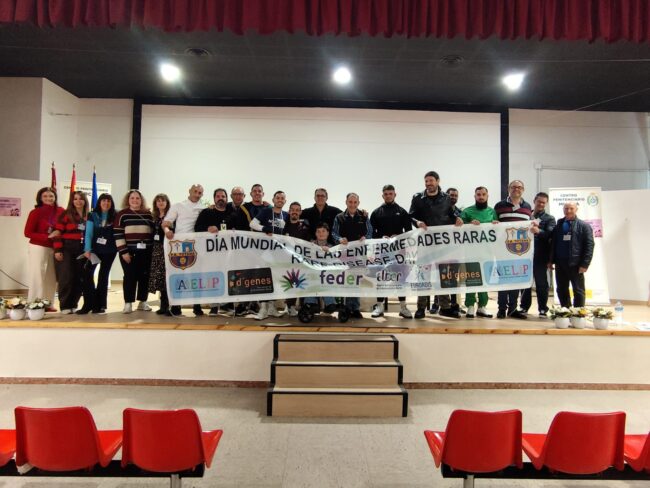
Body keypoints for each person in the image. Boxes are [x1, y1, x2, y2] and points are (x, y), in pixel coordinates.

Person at [409, 171, 463, 319]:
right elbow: (411, 216)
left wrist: (457, 218)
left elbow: (451, 215)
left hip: (442, 243)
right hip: (424, 243)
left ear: (438, 181)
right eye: (426, 181)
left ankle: (444, 307)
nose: (428, 184)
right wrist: (417, 222)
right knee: (423, 275)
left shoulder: (446, 198)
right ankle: (421, 308)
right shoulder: (417, 198)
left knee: (443, 275)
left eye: (431, 181)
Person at [494, 179, 539, 319]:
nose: (516, 189)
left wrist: (533, 227)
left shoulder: (527, 206)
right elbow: (493, 223)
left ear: (523, 190)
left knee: (516, 280)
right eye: (513, 187)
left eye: (519, 187)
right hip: (502, 250)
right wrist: (493, 223)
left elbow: (529, 223)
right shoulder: (499, 205)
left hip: (520, 251)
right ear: (509, 189)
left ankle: (512, 309)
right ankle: (501, 309)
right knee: (503, 280)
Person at [370, 184, 413, 319]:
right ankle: (379, 307)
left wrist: (398, 237)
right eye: (386, 194)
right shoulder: (376, 212)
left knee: (400, 278)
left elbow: (409, 232)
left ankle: (403, 307)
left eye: (390, 193)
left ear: (395, 194)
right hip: (382, 251)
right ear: (382, 195)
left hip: (398, 251)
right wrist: (381, 237)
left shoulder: (402, 211)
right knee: (381, 277)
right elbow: (371, 233)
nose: (388, 196)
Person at [162, 184, 205, 316]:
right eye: (195, 191)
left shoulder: (203, 208)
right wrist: (167, 231)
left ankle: (197, 307)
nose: (197, 194)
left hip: (197, 245)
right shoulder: (178, 206)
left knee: (196, 276)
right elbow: (166, 223)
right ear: (189, 191)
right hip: (179, 245)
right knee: (179, 276)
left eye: (200, 193)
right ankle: (176, 307)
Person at [332, 193, 373, 319]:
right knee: (344, 280)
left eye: (355, 202)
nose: (352, 204)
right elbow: (334, 233)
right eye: (350, 202)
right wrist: (339, 239)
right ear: (346, 202)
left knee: (356, 281)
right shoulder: (339, 217)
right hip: (344, 255)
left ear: (358, 203)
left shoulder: (364, 216)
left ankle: (354, 308)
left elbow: (370, 231)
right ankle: (344, 308)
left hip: (359, 255)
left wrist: (366, 237)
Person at [460, 186, 498, 318]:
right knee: (472, 278)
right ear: (474, 196)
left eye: (483, 194)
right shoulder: (467, 211)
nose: (481, 197)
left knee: (485, 279)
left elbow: (497, 231)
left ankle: (482, 306)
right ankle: (470, 305)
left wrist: (496, 224)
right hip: (471, 252)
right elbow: (459, 228)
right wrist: (469, 224)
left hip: (487, 252)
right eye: (478, 195)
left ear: (487, 196)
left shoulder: (492, 211)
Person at [23, 187, 64, 311]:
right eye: (45, 196)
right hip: (38, 247)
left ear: (55, 197)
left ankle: (48, 304)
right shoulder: (35, 212)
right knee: (38, 275)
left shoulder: (61, 211)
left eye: (51, 196)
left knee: (51, 276)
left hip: (55, 247)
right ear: (40, 198)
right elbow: (27, 232)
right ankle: (34, 304)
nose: (48, 198)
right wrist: (47, 237)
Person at [251, 191, 289, 320]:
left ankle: (272, 308)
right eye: (277, 198)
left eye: (282, 198)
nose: (280, 200)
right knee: (264, 279)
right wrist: (263, 228)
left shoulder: (286, 215)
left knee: (276, 280)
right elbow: (252, 224)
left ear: (285, 201)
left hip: (279, 253)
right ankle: (263, 309)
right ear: (273, 199)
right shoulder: (266, 211)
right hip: (265, 252)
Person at [114, 189, 154, 314]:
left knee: (144, 277)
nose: (135, 200)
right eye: (132, 198)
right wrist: (123, 252)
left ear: (141, 200)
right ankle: (128, 303)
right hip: (128, 252)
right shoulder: (122, 214)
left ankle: (143, 301)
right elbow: (118, 234)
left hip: (146, 252)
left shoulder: (148, 214)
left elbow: (153, 232)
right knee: (129, 277)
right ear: (128, 200)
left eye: (137, 198)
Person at [195, 188, 234, 316]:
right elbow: (197, 228)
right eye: (218, 196)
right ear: (214, 198)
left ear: (227, 199)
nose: (220, 198)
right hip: (210, 253)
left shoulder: (232, 213)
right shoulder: (207, 212)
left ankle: (226, 305)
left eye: (223, 196)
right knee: (213, 278)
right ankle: (214, 306)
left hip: (228, 253)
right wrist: (207, 228)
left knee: (228, 277)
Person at [549, 202, 594, 308]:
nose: (568, 211)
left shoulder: (584, 226)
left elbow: (589, 246)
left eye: (571, 208)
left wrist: (585, 264)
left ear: (576, 209)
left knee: (578, 289)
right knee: (561, 289)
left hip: (576, 264)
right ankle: (565, 311)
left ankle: (578, 312)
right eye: (566, 208)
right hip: (560, 263)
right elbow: (553, 243)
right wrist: (551, 260)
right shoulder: (559, 224)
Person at [52, 191, 89, 314]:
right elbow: (57, 233)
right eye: (75, 199)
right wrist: (58, 250)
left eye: (81, 199)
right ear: (72, 201)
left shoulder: (89, 215)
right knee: (66, 277)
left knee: (79, 278)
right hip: (66, 248)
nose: (78, 201)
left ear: (85, 201)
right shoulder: (65, 214)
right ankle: (65, 305)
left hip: (82, 249)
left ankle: (74, 304)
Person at [80, 193, 117, 314]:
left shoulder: (115, 215)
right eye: (103, 201)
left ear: (111, 203)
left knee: (103, 277)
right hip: (94, 250)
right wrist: (87, 249)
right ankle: (88, 304)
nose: (106, 203)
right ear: (99, 202)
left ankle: (100, 305)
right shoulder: (92, 215)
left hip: (110, 250)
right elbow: (88, 233)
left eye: (108, 201)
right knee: (87, 274)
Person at [521, 192, 556, 317]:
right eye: (539, 201)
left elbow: (551, 235)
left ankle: (542, 309)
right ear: (534, 201)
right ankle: (524, 307)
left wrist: (539, 231)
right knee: (525, 283)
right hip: (524, 255)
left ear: (546, 203)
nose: (541, 204)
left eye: (543, 202)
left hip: (540, 256)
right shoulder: (525, 216)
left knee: (541, 284)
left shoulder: (550, 218)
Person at [283, 201, 311, 317]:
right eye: (292, 210)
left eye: (297, 210)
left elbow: (310, 242)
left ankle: (302, 306)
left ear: (300, 212)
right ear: (289, 211)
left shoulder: (305, 226)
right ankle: (290, 306)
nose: (294, 212)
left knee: (303, 283)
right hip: (287, 261)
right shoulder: (283, 226)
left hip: (302, 261)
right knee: (291, 284)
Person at [303, 223, 338, 314]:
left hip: (326, 275)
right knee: (312, 277)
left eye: (323, 231)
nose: (321, 233)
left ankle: (330, 303)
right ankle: (311, 303)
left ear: (328, 233)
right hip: (311, 273)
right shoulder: (309, 245)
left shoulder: (333, 247)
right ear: (315, 233)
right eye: (318, 231)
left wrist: (329, 251)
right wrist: (318, 249)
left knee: (326, 278)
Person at [148, 193, 172, 316]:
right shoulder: (154, 217)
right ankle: (163, 306)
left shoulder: (171, 216)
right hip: (157, 250)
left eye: (163, 200)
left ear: (167, 203)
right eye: (158, 201)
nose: (161, 203)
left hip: (168, 249)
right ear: (155, 204)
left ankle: (170, 306)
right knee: (160, 278)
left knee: (168, 277)